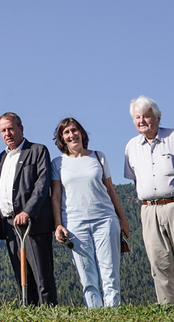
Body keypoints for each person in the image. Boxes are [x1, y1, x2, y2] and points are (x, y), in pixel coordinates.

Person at [124, 95, 174, 306]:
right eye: (137, 117)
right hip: (150, 211)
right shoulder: (131, 147)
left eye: (147, 116)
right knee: (158, 263)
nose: (142, 121)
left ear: (157, 118)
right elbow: (136, 181)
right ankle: (169, 310)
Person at [51, 118, 130, 308]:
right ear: (62, 138)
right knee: (87, 274)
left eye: (74, 130)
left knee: (109, 271)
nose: (72, 135)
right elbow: (55, 197)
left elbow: (110, 189)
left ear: (82, 133)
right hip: (75, 223)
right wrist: (58, 224)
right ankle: (95, 312)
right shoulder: (58, 163)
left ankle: (112, 313)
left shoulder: (98, 157)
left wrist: (123, 220)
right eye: (66, 132)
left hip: (105, 219)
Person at [0, 112, 57, 306]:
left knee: (42, 275)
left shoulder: (38, 151)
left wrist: (27, 212)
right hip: (9, 225)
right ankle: (28, 312)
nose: (8, 133)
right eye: (3, 130)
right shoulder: (0, 158)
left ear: (21, 128)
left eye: (11, 128)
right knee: (21, 275)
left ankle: (48, 312)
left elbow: (42, 185)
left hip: (33, 223)